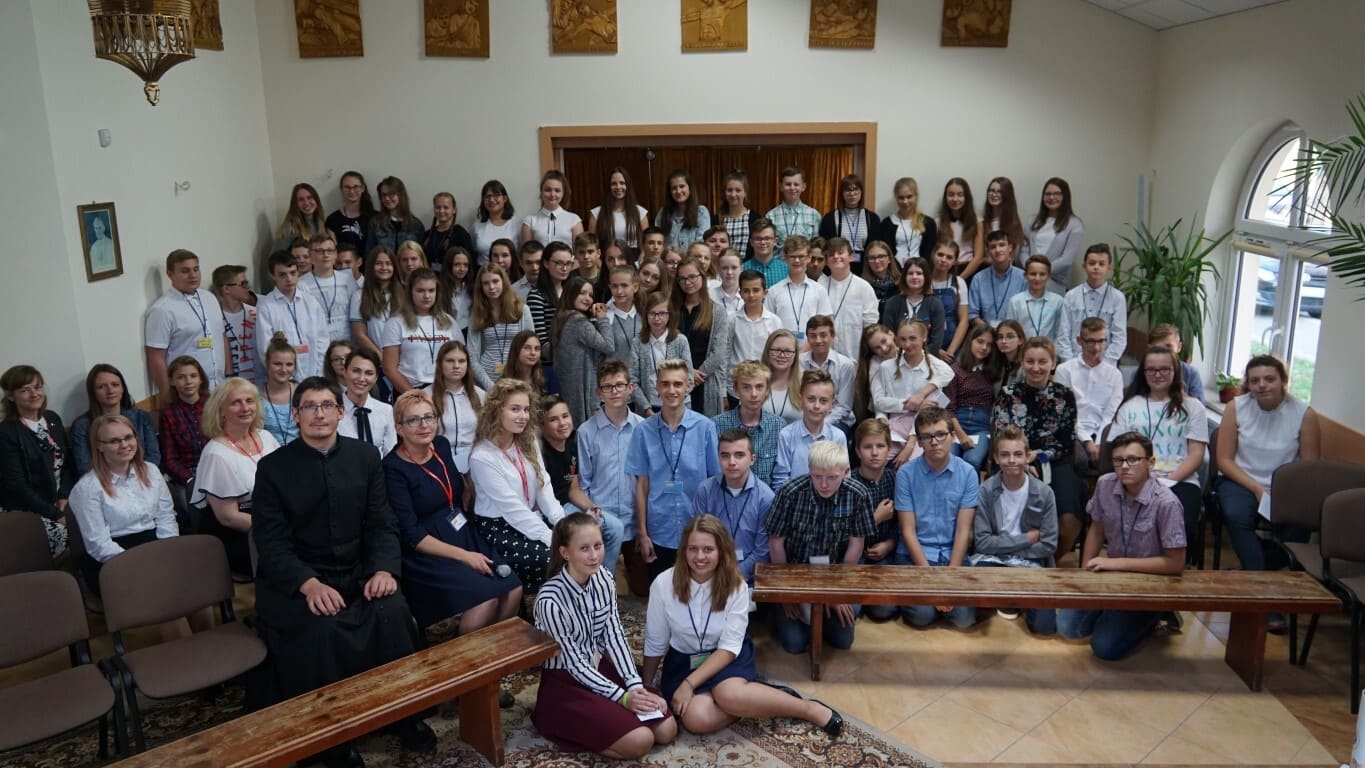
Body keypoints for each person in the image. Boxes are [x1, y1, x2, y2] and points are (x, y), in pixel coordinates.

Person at [250, 377, 435, 764]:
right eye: (309, 407)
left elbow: (382, 523)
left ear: (340, 412)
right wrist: (309, 584)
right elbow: (271, 543)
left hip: (357, 571)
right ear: (296, 415)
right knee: (322, 628)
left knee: (392, 611)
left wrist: (384, 570)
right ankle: (332, 739)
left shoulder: (365, 457)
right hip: (299, 580)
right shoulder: (272, 468)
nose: (318, 414)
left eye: (326, 406)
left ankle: (404, 713)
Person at [642, 514, 841, 736]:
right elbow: (655, 641)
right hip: (684, 662)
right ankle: (756, 698)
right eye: (693, 549)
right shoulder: (663, 584)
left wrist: (689, 685)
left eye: (708, 549)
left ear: (721, 551)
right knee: (697, 720)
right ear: (683, 550)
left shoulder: (736, 586)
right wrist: (647, 686)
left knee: (729, 695)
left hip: (725, 657)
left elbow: (729, 647)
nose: (699, 557)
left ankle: (807, 708)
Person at [533, 513, 678, 759]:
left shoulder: (604, 578)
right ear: (565, 552)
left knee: (667, 730)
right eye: (584, 549)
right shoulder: (550, 602)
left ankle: (614, 721)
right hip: (566, 681)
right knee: (641, 741)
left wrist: (634, 685)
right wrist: (623, 698)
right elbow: (574, 664)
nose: (594, 556)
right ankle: (560, 720)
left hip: (598, 668)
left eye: (598, 546)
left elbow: (614, 634)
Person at [384, 389, 522, 633]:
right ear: (399, 428)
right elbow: (412, 535)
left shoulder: (441, 445)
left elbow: (454, 490)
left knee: (513, 588)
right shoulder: (393, 468)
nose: (423, 425)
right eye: (413, 420)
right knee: (485, 599)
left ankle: (499, 649)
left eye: (429, 417)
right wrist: (466, 557)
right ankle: (471, 656)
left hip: (461, 530)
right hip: (428, 549)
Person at [1057, 431, 1186, 660]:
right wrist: (1085, 574)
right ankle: (1113, 613)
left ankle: (1157, 614)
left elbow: (1176, 564)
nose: (1124, 466)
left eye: (1133, 459)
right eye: (1118, 460)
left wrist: (1115, 563)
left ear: (1150, 463)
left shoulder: (1167, 503)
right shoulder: (1105, 484)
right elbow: (1097, 528)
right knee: (1068, 627)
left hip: (1149, 584)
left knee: (1104, 647)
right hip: (1111, 578)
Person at [1216, 354, 1319, 631]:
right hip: (1240, 480)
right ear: (1248, 384)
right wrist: (1257, 488)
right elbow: (1224, 460)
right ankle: (1266, 598)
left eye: (1269, 379)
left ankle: (1253, 570)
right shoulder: (1236, 407)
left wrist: (1279, 491)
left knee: (1299, 526)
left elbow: (1309, 468)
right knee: (1237, 516)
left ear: (1283, 381)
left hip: (1287, 486)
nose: (1262, 385)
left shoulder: (1304, 413)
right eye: (1255, 380)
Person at [764, 440, 873, 654]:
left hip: (835, 575)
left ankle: (822, 613)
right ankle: (781, 612)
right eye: (817, 476)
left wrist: (837, 594)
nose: (824, 484)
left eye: (832, 477)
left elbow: (856, 544)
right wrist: (787, 593)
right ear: (809, 470)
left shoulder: (858, 495)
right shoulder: (790, 493)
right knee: (795, 644)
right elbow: (776, 543)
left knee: (843, 641)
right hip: (795, 576)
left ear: (846, 472)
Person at [627, 359, 721, 580]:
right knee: (660, 593)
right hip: (659, 529)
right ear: (657, 387)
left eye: (677, 384)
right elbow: (641, 485)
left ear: (688, 386)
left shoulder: (705, 428)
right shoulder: (643, 431)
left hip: (696, 530)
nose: (672, 390)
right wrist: (642, 533)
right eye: (665, 384)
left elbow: (714, 482)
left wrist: (712, 532)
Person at [992, 337, 1084, 558]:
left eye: (1042, 362)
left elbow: (1066, 440)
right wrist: (1022, 459)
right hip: (1013, 460)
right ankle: (1015, 558)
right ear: (1022, 363)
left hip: (1052, 461)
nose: (1036, 368)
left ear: (1053, 364)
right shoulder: (1007, 394)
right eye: (1030, 361)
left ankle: (1045, 562)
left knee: (1070, 520)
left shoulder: (1065, 395)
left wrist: (1039, 454)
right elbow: (1001, 435)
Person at [469, 378, 565, 592]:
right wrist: (553, 539)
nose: (523, 416)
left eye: (526, 409)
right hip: (499, 527)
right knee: (554, 558)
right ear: (496, 410)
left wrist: (563, 525)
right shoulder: (482, 457)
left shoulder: (528, 440)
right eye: (515, 409)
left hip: (529, 518)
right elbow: (512, 509)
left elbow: (543, 486)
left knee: (579, 544)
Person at [1112, 344, 1208, 549]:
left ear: (1175, 371)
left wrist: (1168, 481)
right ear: (1143, 373)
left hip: (1180, 480)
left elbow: (1197, 454)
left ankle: (1172, 564)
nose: (1157, 375)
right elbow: (1119, 450)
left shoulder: (1193, 407)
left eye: (1164, 369)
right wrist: (1142, 478)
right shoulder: (1129, 406)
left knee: (1180, 528)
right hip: (1135, 478)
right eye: (1151, 370)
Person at [68, 414, 178, 594]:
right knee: (160, 592)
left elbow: (166, 516)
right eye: (114, 441)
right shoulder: (87, 488)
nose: (124, 445)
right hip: (113, 559)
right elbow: (98, 544)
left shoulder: (151, 471)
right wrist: (140, 565)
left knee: (188, 583)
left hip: (154, 545)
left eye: (128, 437)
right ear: (99, 446)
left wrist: (167, 550)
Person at [893, 407, 979, 628]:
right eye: (927, 437)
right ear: (920, 442)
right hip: (916, 556)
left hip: (952, 554)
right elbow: (908, 532)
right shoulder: (905, 474)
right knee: (921, 616)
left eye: (941, 434)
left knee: (964, 619)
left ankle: (940, 604)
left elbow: (963, 531)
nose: (935, 442)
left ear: (953, 436)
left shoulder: (968, 473)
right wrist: (932, 581)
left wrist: (949, 580)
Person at [970, 425, 1058, 633]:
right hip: (992, 561)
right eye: (1005, 455)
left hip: (1031, 562)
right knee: (968, 612)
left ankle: (1016, 596)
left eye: (1018, 454)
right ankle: (1011, 596)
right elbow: (982, 542)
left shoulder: (1044, 493)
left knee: (1044, 627)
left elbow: (1049, 545)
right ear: (996, 458)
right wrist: (1026, 538)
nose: (1011, 460)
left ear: (1027, 457)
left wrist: (1005, 547)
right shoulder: (986, 490)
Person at [192, 376, 280, 577]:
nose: (245, 408)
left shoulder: (265, 437)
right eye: (236, 403)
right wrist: (277, 528)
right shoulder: (216, 454)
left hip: (272, 518)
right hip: (240, 535)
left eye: (249, 401)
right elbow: (228, 518)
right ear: (221, 410)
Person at [578, 360, 650, 596]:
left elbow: (647, 479)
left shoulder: (643, 428)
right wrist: (590, 522)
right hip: (602, 521)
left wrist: (644, 528)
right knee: (596, 589)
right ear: (599, 392)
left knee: (643, 590)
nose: (614, 391)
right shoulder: (586, 432)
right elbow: (584, 482)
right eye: (607, 387)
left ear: (630, 388)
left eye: (619, 385)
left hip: (635, 520)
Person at [539, 395, 625, 570]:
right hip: (550, 510)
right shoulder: (541, 453)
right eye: (553, 419)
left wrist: (590, 507)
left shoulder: (572, 445)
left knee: (615, 527)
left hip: (569, 504)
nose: (562, 423)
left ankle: (603, 577)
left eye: (565, 416)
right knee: (586, 533)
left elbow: (574, 489)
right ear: (542, 426)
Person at [0, 366, 72, 556]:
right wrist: (55, 514)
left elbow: (67, 464)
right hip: (30, 507)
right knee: (67, 535)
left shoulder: (52, 418)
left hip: (60, 499)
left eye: (38, 387)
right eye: (25, 390)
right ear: (11, 396)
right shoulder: (7, 432)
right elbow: (17, 486)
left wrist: (64, 496)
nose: (34, 394)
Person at [690, 429, 773, 585]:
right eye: (725, 455)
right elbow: (697, 540)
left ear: (752, 459)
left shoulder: (766, 497)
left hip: (749, 580)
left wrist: (730, 577)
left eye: (739, 455)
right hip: (709, 576)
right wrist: (715, 576)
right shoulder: (705, 490)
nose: (732, 462)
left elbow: (762, 551)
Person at [872, 319, 955, 466]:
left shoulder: (936, 369)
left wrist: (921, 394)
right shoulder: (887, 367)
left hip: (923, 428)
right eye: (903, 339)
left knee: (913, 464)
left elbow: (949, 373)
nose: (907, 344)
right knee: (875, 460)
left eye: (912, 338)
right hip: (894, 426)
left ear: (924, 337)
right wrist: (910, 404)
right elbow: (879, 402)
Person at [145, 249, 229, 393]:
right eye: (185, 271)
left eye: (196, 269)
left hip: (219, 385)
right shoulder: (162, 310)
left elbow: (221, 336)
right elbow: (156, 357)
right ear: (170, 274)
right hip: (187, 391)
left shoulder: (210, 298)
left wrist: (229, 375)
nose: (193, 275)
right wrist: (166, 394)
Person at [1054, 317, 1124, 470]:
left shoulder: (1114, 375)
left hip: (1103, 430)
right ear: (1080, 341)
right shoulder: (1065, 370)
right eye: (1091, 341)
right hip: (1074, 429)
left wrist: (1099, 442)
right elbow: (1065, 412)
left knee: (1110, 459)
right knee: (1079, 459)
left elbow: (1110, 413)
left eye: (1101, 341)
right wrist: (1087, 440)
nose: (1096, 347)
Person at [70, 364, 160, 476]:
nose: (110, 390)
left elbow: (153, 456)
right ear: (93, 392)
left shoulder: (140, 416)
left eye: (115, 385)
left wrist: (134, 478)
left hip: (142, 477)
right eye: (101, 387)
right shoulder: (82, 426)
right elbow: (85, 467)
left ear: (123, 388)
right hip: (104, 482)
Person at [847, 420, 899, 616]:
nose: (875, 453)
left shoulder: (895, 479)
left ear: (889, 449)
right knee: (851, 610)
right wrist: (875, 518)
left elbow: (902, 523)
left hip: (885, 553)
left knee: (884, 609)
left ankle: (870, 595)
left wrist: (890, 544)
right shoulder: (848, 483)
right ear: (858, 451)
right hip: (854, 555)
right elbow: (841, 530)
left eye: (880, 446)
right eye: (868, 447)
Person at [673, 257, 734, 415]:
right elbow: (668, 345)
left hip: (706, 379)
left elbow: (718, 353)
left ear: (703, 276)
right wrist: (687, 373)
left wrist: (695, 376)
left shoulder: (717, 311)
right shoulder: (671, 309)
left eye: (692, 277)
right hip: (676, 378)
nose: (688, 282)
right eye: (682, 279)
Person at [382, 268, 457, 394]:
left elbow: (460, 358)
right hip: (409, 390)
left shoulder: (449, 321)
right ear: (410, 292)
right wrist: (415, 396)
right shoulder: (395, 322)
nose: (426, 296)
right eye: (420, 290)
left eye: (431, 290)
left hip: (444, 390)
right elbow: (389, 367)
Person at [257, 250, 329, 379]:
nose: (289, 279)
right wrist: (285, 379)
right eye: (282, 275)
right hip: (284, 378)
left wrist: (319, 374)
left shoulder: (310, 302)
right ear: (272, 276)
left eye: (293, 273)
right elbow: (265, 348)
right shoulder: (266, 306)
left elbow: (322, 340)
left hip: (314, 372)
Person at [552, 276, 615, 424]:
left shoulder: (561, 318)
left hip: (569, 392)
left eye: (591, 295)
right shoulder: (578, 321)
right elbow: (608, 346)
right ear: (571, 293)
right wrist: (602, 318)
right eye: (582, 293)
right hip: (581, 395)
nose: (588, 299)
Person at [772, 370, 846, 491]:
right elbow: (781, 480)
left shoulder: (838, 436)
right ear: (800, 400)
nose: (816, 406)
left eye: (823, 401)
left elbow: (843, 477)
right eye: (811, 399)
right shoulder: (786, 435)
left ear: (832, 403)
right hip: (794, 500)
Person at [467, 264, 536, 389]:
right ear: (481, 287)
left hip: (518, 378)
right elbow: (472, 356)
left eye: (495, 281)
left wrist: (522, 381)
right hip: (486, 380)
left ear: (503, 282)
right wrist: (491, 388)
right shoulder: (477, 313)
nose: (491, 287)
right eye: (486, 283)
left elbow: (531, 348)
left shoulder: (522, 309)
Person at [1056, 244, 1127, 365]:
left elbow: (1119, 337)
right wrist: (1070, 363)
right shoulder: (1071, 296)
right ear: (1084, 266)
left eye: (1101, 264)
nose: (1096, 267)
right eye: (1092, 263)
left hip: (1105, 363)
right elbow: (1063, 334)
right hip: (1074, 361)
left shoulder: (1117, 298)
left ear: (1109, 267)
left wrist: (1105, 364)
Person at [157, 356, 210, 517]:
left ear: (201, 379)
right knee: (192, 509)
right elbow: (169, 458)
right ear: (172, 381)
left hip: (215, 465)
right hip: (187, 473)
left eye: (193, 376)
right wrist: (189, 479)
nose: (188, 382)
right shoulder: (168, 413)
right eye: (181, 377)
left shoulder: (213, 405)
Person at [946, 323, 1001, 470]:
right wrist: (960, 434)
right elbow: (949, 407)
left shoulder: (994, 371)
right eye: (980, 342)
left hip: (981, 427)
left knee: (972, 461)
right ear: (970, 341)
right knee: (949, 459)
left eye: (989, 345)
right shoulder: (955, 370)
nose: (984, 347)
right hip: (956, 424)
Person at [628, 292, 692, 415]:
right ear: (646, 315)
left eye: (662, 313)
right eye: (652, 313)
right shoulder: (638, 342)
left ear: (670, 315)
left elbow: (689, 377)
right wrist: (646, 408)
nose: (657, 318)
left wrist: (674, 402)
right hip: (648, 406)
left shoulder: (680, 340)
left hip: (678, 404)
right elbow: (632, 379)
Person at [428, 340, 483, 481]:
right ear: (440, 364)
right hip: (438, 466)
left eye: (462, 361)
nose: (456, 366)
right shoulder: (426, 396)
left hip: (475, 465)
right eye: (450, 361)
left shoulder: (481, 395)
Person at [816, 237, 878, 361]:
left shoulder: (863, 287)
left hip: (855, 357)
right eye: (831, 254)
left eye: (840, 252)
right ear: (826, 261)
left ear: (851, 257)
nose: (836, 257)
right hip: (824, 356)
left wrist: (864, 358)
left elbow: (870, 325)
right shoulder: (819, 286)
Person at [765, 236, 833, 338]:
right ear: (785, 258)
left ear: (809, 258)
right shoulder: (774, 291)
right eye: (792, 256)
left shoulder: (819, 291)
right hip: (782, 346)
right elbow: (768, 325)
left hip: (812, 346)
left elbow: (826, 326)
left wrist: (807, 347)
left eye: (801, 256)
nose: (797, 260)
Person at [1026, 178, 1085, 294]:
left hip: (1055, 284)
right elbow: (1023, 251)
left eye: (1057, 194)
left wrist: (1041, 272)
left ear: (1065, 197)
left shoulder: (1075, 225)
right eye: (1048, 194)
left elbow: (1067, 259)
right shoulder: (1031, 221)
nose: (1052, 197)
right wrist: (1031, 271)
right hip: (1029, 282)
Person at [799, 315, 855, 435]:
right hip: (806, 418)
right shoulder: (799, 362)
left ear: (832, 336)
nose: (818, 340)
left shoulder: (845, 365)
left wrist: (819, 424)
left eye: (823, 335)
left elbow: (843, 407)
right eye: (813, 336)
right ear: (807, 338)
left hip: (837, 421)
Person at [880, 257, 946, 356]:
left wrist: (920, 358)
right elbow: (889, 335)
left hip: (928, 358)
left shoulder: (935, 304)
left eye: (919, 273)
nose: (914, 277)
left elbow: (937, 341)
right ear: (904, 277)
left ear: (926, 277)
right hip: (897, 357)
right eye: (910, 273)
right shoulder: (892, 303)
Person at [336, 348, 396, 457]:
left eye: (369, 373)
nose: (361, 378)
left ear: (376, 377)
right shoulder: (333, 410)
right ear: (345, 372)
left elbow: (391, 454)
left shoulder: (386, 411)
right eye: (356, 371)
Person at [300, 233, 358, 343]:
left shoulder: (348, 280)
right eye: (319, 251)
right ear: (310, 255)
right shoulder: (301, 285)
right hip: (318, 344)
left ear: (336, 254)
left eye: (329, 250)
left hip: (348, 344)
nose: (325, 255)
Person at [349, 246, 399, 363]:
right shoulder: (359, 296)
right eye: (379, 263)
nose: (384, 267)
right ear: (371, 266)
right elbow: (360, 335)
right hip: (376, 360)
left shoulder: (405, 294)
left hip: (404, 361)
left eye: (388, 263)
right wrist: (382, 359)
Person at [968, 231, 1028, 327]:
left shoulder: (1023, 278)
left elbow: (1027, 313)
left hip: (1014, 332)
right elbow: (972, 314)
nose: (998, 250)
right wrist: (989, 330)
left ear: (1010, 247)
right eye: (993, 247)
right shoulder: (978, 279)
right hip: (986, 331)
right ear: (988, 251)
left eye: (1002, 245)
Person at [819, 173, 880, 265]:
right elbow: (826, 247)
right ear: (842, 193)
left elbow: (876, 246)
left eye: (855, 189)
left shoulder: (872, 218)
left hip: (866, 266)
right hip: (838, 264)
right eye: (847, 190)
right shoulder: (830, 218)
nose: (852, 194)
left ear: (861, 192)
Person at [877, 176, 938, 267]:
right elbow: (886, 253)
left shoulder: (928, 223)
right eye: (901, 198)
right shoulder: (887, 224)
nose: (905, 202)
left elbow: (930, 252)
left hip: (920, 271)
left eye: (909, 197)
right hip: (894, 271)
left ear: (916, 196)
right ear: (896, 198)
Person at [213, 264, 259, 384]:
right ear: (226, 289)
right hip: (230, 381)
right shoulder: (213, 317)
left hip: (258, 379)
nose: (248, 288)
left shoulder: (256, 313)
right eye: (243, 284)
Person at [729, 269, 783, 365]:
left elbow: (778, 351)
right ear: (740, 294)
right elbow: (726, 351)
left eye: (756, 290)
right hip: (737, 372)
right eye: (746, 291)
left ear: (765, 293)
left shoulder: (775, 321)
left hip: (765, 372)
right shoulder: (732, 320)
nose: (751, 295)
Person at [589, 167, 649, 254]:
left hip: (633, 258)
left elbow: (644, 244)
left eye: (622, 183)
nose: (618, 187)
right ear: (609, 187)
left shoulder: (640, 212)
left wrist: (640, 260)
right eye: (614, 183)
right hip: (607, 257)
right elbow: (591, 245)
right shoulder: (596, 213)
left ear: (628, 186)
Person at [1005, 255, 1065, 342]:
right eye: (1033, 274)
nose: (1037, 278)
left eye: (1042, 274)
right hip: (1023, 348)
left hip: (1048, 349)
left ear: (1049, 276)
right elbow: (1010, 331)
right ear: (1025, 275)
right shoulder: (1015, 302)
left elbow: (1060, 333)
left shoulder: (1058, 301)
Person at [929, 240, 970, 363]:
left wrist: (951, 351)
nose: (943, 260)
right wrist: (934, 348)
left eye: (949, 257)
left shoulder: (959, 283)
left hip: (953, 344)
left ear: (955, 261)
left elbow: (964, 320)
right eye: (940, 255)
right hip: (928, 344)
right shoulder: (923, 281)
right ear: (933, 255)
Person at [766, 166, 820, 258]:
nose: (792, 188)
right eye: (788, 184)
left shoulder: (814, 215)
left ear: (803, 187)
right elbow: (768, 248)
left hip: (805, 266)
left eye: (796, 184)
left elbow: (816, 247)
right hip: (779, 264)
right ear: (781, 187)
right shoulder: (770, 216)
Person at [366, 176, 426, 256]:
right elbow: (369, 255)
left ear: (401, 195)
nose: (387, 198)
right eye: (384, 195)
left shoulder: (416, 225)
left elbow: (420, 256)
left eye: (391, 194)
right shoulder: (375, 223)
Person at [522, 170, 583, 248]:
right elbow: (527, 252)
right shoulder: (530, 221)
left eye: (557, 190)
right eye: (548, 190)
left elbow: (579, 251)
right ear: (541, 192)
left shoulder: (574, 220)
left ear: (563, 193)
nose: (552, 194)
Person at [937, 177, 984, 280]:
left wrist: (960, 279)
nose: (955, 199)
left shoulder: (976, 221)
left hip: (970, 270)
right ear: (945, 197)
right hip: (946, 270)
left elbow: (979, 256)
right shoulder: (938, 222)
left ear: (966, 197)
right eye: (951, 195)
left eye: (960, 195)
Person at [1144, 323, 1205, 401]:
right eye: (1158, 348)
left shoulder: (1191, 373)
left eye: (1168, 347)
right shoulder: (1140, 373)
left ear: (1179, 347)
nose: (1163, 352)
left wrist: (1180, 395)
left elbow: (1199, 406)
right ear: (1149, 349)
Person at [654, 169, 710, 251]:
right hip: (668, 258)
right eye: (674, 188)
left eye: (682, 186)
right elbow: (657, 241)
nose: (678, 191)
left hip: (694, 258)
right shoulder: (662, 213)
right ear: (670, 192)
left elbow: (702, 243)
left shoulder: (701, 212)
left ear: (689, 188)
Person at [851, 323, 898, 422]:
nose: (884, 348)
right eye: (877, 348)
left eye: (884, 341)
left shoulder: (907, 353)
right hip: (884, 413)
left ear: (891, 334)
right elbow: (878, 403)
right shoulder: (875, 365)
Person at [260, 334, 301, 446]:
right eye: (277, 364)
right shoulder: (256, 397)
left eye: (289, 364)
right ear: (267, 364)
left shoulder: (303, 392)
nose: (283, 369)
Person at [422, 192, 475, 273]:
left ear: (454, 210)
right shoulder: (427, 235)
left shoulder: (461, 234)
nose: (441, 211)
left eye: (446, 207)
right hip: (430, 278)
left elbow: (470, 261)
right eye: (438, 207)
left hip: (452, 278)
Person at [760, 330, 804, 424]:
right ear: (767, 352)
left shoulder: (805, 383)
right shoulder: (755, 382)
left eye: (788, 351)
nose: (782, 355)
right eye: (776, 350)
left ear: (795, 354)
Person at [471, 180, 520, 263]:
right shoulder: (477, 225)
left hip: (511, 270)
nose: (491, 200)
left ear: (504, 198)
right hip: (484, 269)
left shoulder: (518, 224)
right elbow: (473, 252)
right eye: (487, 196)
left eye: (496, 195)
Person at [716, 170, 762, 259]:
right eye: (729, 190)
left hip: (747, 266)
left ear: (745, 193)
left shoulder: (755, 219)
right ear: (725, 193)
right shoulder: (716, 219)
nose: (733, 194)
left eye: (738, 190)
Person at [982, 176, 1027, 267]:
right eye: (991, 191)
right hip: (984, 269)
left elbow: (1013, 256)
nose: (994, 194)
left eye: (999, 192)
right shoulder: (982, 222)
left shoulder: (1013, 223)